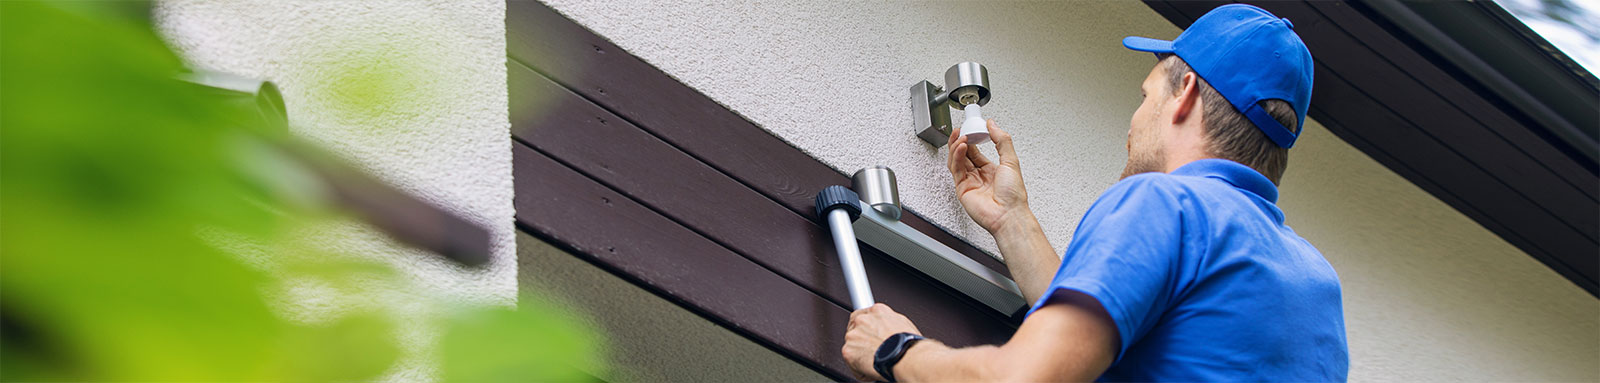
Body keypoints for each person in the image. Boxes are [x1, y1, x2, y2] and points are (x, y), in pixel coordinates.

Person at [841, 4, 1348, 382]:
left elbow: (1027, 377)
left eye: (1145, 95)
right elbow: (1099, 342)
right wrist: (1013, 220)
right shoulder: (1314, 282)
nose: (1135, 118)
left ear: (1186, 93)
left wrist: (895, 350)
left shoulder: (1164, 204)